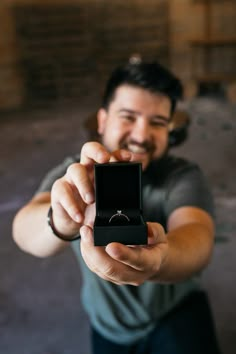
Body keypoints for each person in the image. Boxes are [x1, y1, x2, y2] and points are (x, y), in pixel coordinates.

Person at [13, 59, 221, 354]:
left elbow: (197, 237)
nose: (140, 135)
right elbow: (23, 231)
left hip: (176, 314)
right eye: (128, 117)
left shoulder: (181, 175)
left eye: (158, 123)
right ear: (102, 120)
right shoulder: (76, 173)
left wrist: (159, 259)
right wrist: (61, 218)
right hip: (110, 326)